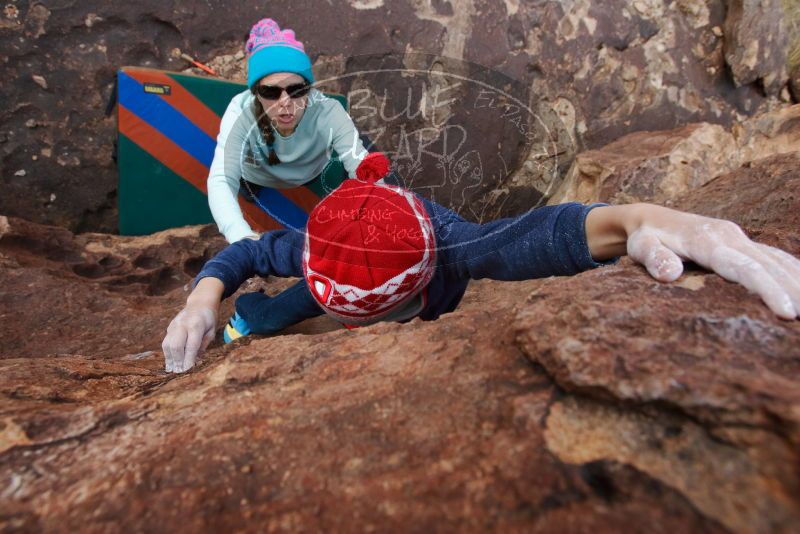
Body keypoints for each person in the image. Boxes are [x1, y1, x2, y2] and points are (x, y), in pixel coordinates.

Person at [162, 153, 800, 373]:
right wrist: (202, 301)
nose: (365, 329)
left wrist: (636, 219)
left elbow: (533, 237)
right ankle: (261, 320)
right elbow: (246, 253)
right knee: (278, 315)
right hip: (328, 273)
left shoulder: (450, 247)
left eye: (391, 313)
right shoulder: (314, 251)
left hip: (409, 249)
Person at [207, 18, 372, 341]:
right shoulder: (239, 111)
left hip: (315, 173)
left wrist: (380, 219)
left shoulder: (327, 111)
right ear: (255, 91)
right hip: (258, 180)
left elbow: (360, 161)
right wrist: (240, 236)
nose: (285, 103)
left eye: (297, 90)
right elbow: (221, 178)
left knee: (375, 168)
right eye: (271, 91)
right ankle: (259, 312)